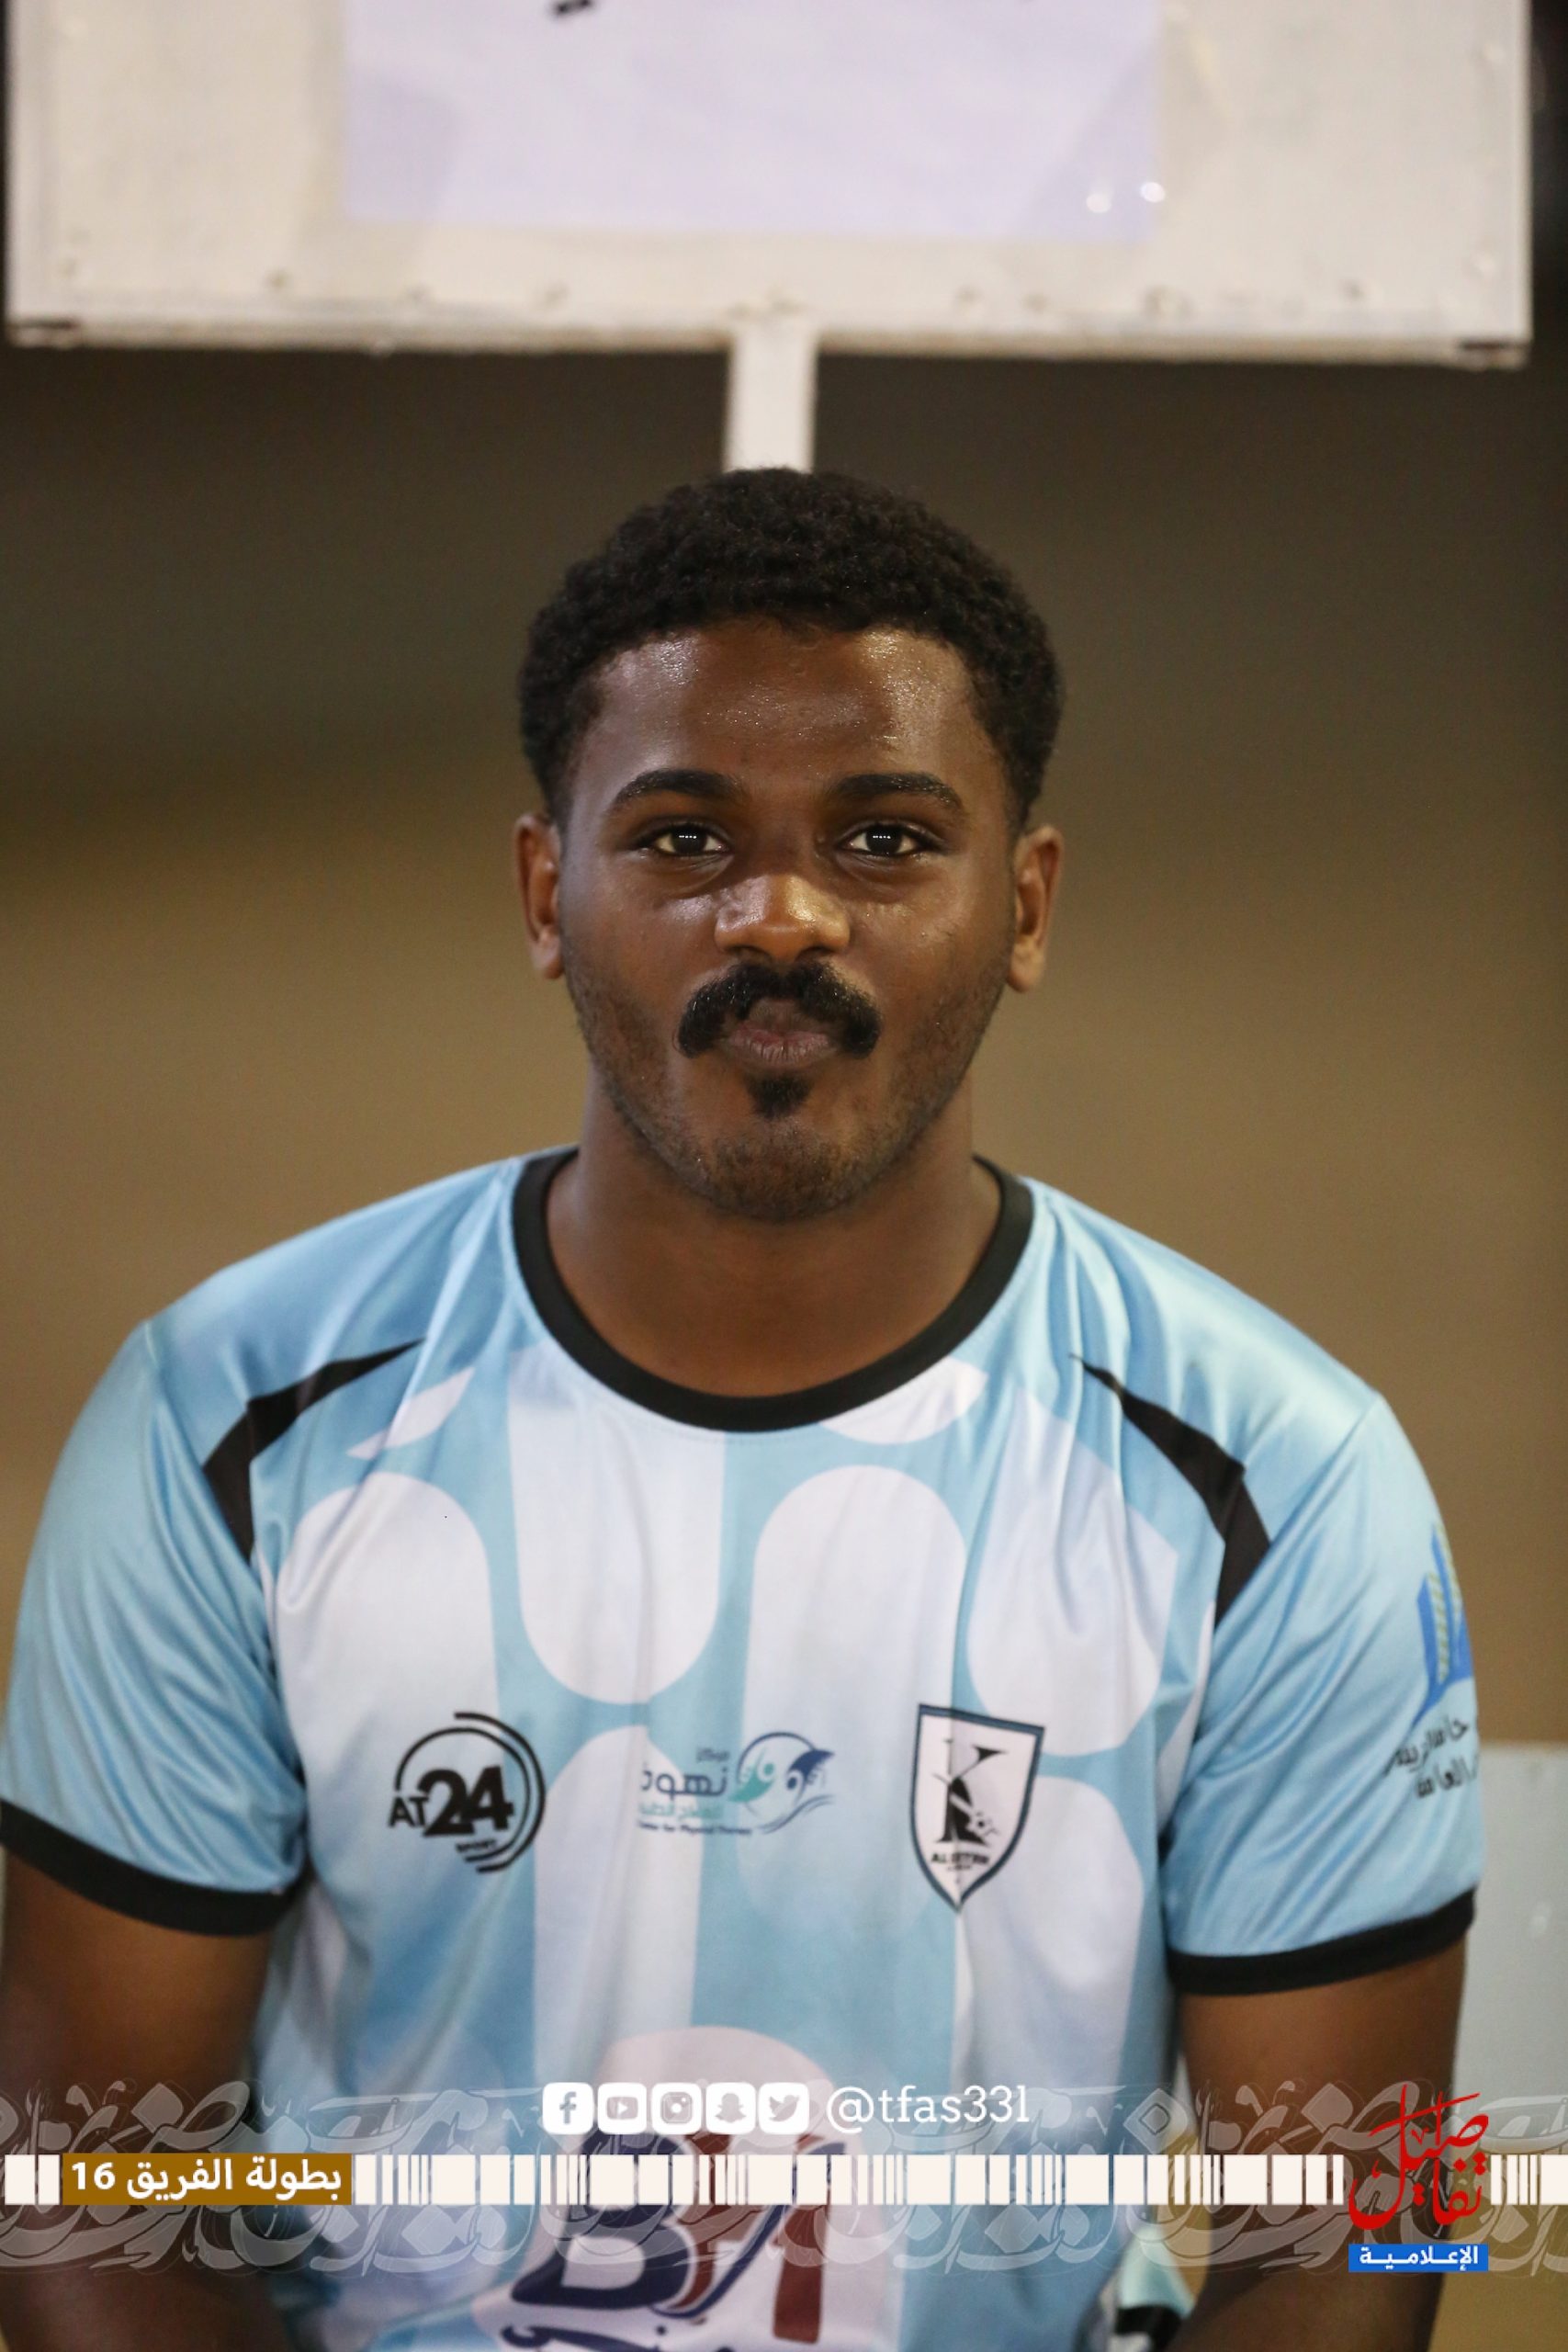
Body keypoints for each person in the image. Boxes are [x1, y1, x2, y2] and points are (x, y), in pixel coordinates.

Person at [0, 469, 1482, 2351]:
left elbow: (1364, 2229)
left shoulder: (1286, 1479)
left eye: (884, 838)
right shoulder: (231, 1419)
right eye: (684, 836)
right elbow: (82, 2189)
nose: (779, 916)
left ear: (1024, 904)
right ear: (547, 895)